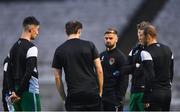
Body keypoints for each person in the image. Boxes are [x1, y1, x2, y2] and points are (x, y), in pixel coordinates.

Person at [52, 20, 103, 111]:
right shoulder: (90, 45)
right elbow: (99, 70)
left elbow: (57, 77)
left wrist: (64, 98)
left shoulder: (59, 50)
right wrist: (100, 91)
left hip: (73, 95)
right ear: (79, 31)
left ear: (66, 31)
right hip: (92, 92)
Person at [7, 16, 41, 111]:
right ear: (31, 29)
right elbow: (29, 72)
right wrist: (18, 93)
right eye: (37, 29)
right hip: (28, 91)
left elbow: (8, 72)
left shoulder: (12, 48)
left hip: (15, 93)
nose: (38, 33)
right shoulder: (31, 48)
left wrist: (13, 91)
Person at [140, 24, 174, 111]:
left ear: (148, 36)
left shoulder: (145, 52)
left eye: (142, 35)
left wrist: (146, 97)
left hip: (154, 94)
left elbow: (150, 77)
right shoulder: (168, 49)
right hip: (167, 93)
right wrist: (167, 87)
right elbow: (171, 72)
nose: (140, 38)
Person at [100, 28, 130, 111]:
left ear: (116, 39)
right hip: (101, 98)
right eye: (106, 38)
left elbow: (124, 79)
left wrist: (119, 99)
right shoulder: (101, 56)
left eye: (111, 38)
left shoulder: (121, 57)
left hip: (113, 99)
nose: (108, 40)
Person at [128, 21, 150, 111]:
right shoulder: (134, 51)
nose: (139, 38)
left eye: (141, 35)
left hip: (145, 92)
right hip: (134, 91)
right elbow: (126, 68)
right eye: (138, 35)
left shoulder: (153, 50)